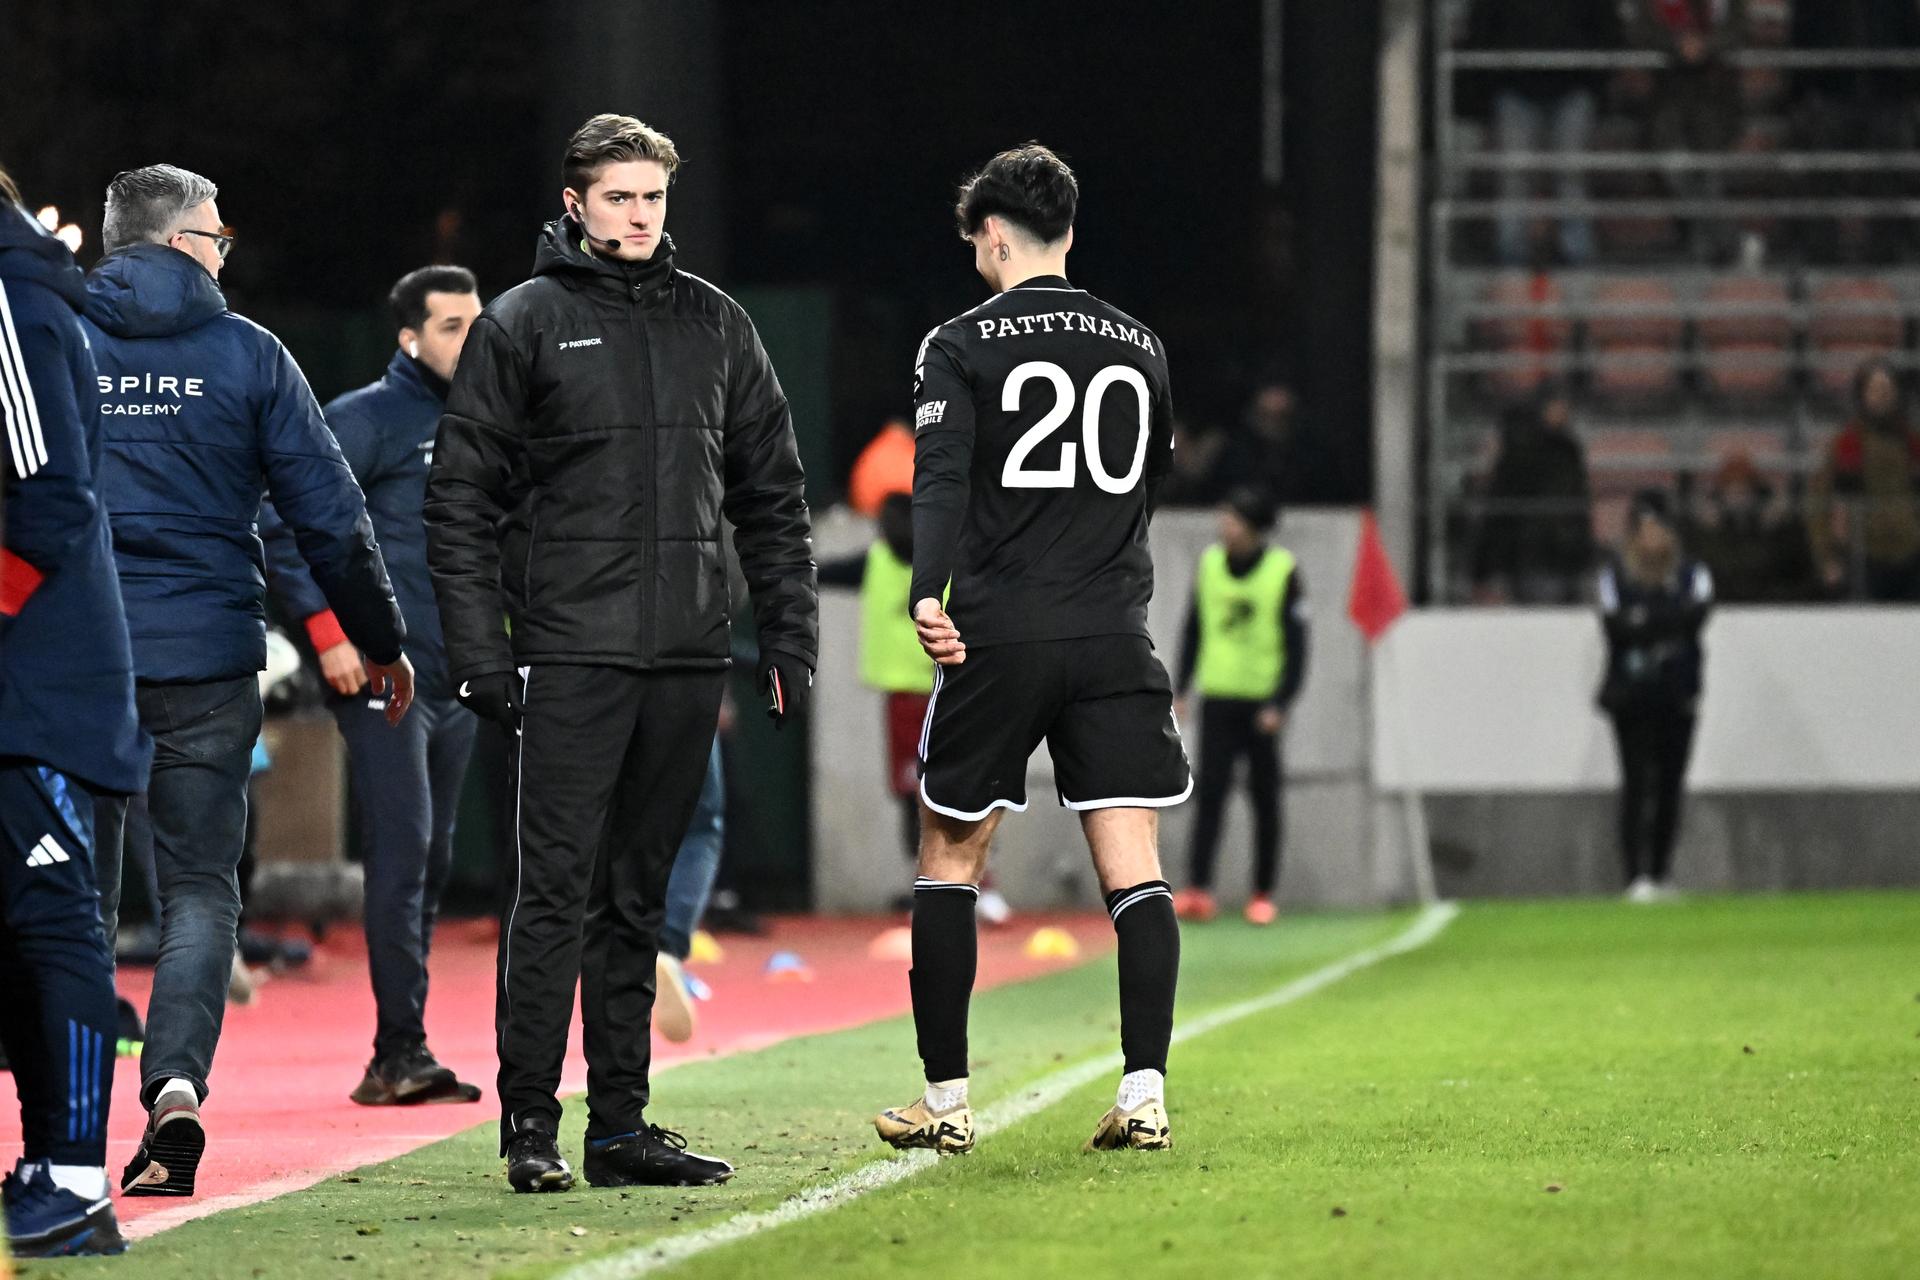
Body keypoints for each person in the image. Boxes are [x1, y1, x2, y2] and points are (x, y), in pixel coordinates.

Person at [425, 114, 817, 1194]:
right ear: (575, 205)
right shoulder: (523, 324)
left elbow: (774, 496)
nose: (640, 215)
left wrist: (786, 634)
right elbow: (459, 502)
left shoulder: (718, 324)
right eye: (619, 197)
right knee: (552, 892)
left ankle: (621, 1126)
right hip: (569, 657)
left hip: (688, 657)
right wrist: (480, 651)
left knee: (637, 901)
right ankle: (530, 1125)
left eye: (653, 197)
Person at [82, 164, 414, 1199]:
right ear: (181, 243)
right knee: (197, 886)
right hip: (208, 658)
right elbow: (330, 512)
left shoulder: (52, 343)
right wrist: (381, 636)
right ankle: (175, 1088)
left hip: (74, 661)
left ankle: (67, 1137)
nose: (228, 250)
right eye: (218, 234)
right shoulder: (249, 354)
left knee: (69, 900)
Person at [876, 143, 1189, 1158]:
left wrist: (928, 590)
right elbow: (1148, 483)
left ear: (996, 235)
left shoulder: (958, 344)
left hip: (1001, 631)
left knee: (950, 855)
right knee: (1133, 866)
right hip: (1112, 632)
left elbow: (940, 479)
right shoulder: (1140, 344)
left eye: (977, 244)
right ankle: (1144, 1092)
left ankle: (947, 1097)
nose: (976, 259)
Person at [261, 266, 485, 1106]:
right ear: (409, 338)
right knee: (405, 851)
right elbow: (281, 518)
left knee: (433, 857)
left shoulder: (487, 418)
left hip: (457, 675)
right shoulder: (363, 420)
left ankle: (404, 1048)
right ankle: (399, 1052)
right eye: (454, 326)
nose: (472, 338)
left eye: (477, 321)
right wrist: (332, 636)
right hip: (387, 676)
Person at [0, 167, 148, 1258]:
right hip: (32, 675)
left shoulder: (9, 293)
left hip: (36, 684)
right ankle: (49, 1164)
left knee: (51, 923)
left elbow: (47, 500)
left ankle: (76, 1176)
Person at [1171, 488, 1309, 927]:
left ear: (1252, 525)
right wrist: (1183, 687)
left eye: (1231, 518)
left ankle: (1263, 892)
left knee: (1264, 798)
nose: (1223, 525)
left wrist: (1282, 702)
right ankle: (1198, 888)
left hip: (1260, 704)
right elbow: (1193, 627)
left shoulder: (1282, 571)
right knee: (1209, 792)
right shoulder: (1210, 564)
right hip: (1219, 698)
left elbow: (1298, 645)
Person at [1597, 491, 1712, 902]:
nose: (1651, 538)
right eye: (1644, 530)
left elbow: (1695, 619)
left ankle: (1661, 872)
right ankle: (1635, 876)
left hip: (1678, 692)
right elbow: (1615, 629)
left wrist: (1644, 620)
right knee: (1635, 783)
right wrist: (1665, 622)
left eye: (1658, 529)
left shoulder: (1693, 574)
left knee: (1669, 786)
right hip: (1631, 696)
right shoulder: (1615, 575)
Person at [1463, 0, 1624, 267]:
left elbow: (1608, 28)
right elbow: (1481, 26)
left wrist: (1593, 80)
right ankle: (1511, 255)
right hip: (1515, 89)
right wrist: (1494, 80)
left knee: (1571, 174)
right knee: (1515, 175)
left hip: (1574, 87)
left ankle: (1579, 253)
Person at [1806, 358, 1920, 602]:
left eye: (1888, 389)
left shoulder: (1912, 444)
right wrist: (1827, 558)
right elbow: (1818, 503)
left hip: (1912, 553)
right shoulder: (1844, 445)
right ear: (1863, 395)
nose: (1882, 396)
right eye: (1875, 389)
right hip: (1862, 556)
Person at [1471, 387, 1593, 603]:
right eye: (1557, 405)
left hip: (1562, 551)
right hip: (1533, 553)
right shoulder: (1524, 452)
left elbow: (1578, 502)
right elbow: (1503, 508)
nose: (1562, 411)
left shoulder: (1566, 450)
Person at [1686, 451, 1811, 603]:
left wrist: (1774, 527)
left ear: (1753, 490)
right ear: (1722, 490)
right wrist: (1711, 532)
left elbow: (1789, 568)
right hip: (1721, 602)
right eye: (1731, 487)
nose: (1738, 495)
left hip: (1770, 603)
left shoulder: (1780, 527)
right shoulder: (1703, 529)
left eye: (1743, 488)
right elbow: (1710, 570)